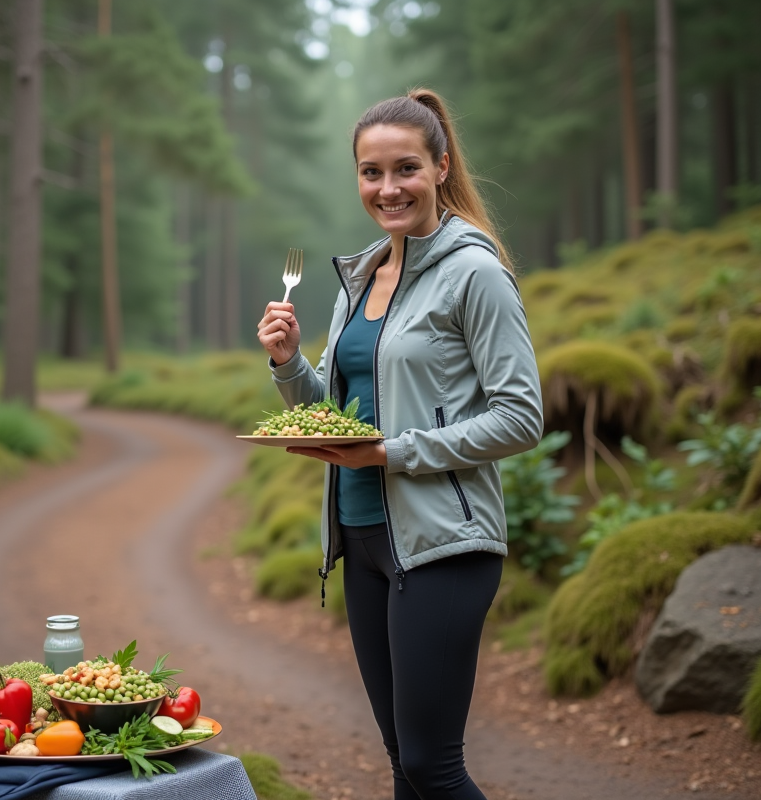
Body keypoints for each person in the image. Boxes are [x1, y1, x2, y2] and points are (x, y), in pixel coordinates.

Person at [256, 89, 544, 800]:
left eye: (405, 168)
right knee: (401, 764)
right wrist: (290, 364)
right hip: (363, 540)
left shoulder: (474, 272)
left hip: (443, 543)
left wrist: (394, 453)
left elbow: (521, 416)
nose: (388, 189)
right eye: (370, 173)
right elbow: (334, 416)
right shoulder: (360, 279)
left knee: (430, 764)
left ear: (441, 167)